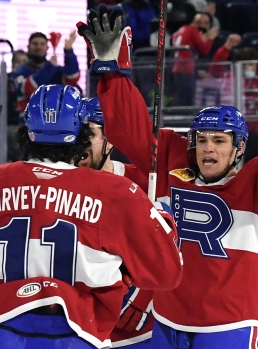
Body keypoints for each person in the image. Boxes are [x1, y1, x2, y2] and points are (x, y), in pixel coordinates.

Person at [76, 5, 258, 348]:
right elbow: (128, 130)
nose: (208, 149)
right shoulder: (171, 161)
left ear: (238, 149)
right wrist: (113, 73)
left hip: (230, 327)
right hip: (165, 324)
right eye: (202, 140)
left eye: (219, 141)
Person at [0, 84, 183, 348]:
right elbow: (167, 274)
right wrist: (163, 220)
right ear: (81, 134)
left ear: (26, 131)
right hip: (75, 333)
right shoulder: (115, 190)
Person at [77, 97, 157, 348]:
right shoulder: (56, 185)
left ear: (110, 140)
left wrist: (147, 295)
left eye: (88, 134)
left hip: (134, 334)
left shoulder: (143, 182)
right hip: (72, 328)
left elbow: (173, 247)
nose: (78, 143)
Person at [12, 31, 80, 115]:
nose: (39, 47)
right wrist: (49, 67)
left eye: (42, 44)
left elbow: (72, 77)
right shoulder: (20, 71)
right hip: (29, 121)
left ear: (47, 48)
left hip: (55, 120)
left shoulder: (54, 69)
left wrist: (68, 50)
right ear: (28, 47)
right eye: (35, 44)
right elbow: (29, 88)